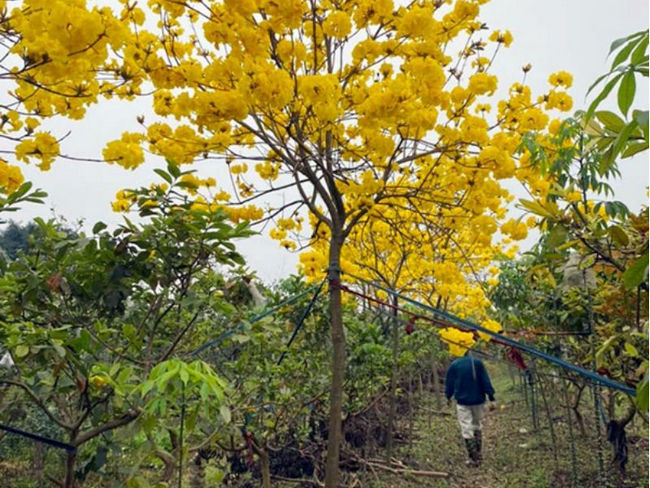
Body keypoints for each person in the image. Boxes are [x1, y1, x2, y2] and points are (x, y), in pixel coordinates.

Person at [444, 351, 496, 466]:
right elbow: (485, 381)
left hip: (463, 402)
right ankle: (478, 453)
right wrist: (491, 397)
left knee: (466, 428)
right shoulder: (477, 363)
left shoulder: (455, 365)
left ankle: (473, 458)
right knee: (477, 425)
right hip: (478, 400)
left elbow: (450, 384)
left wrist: (448, 396)